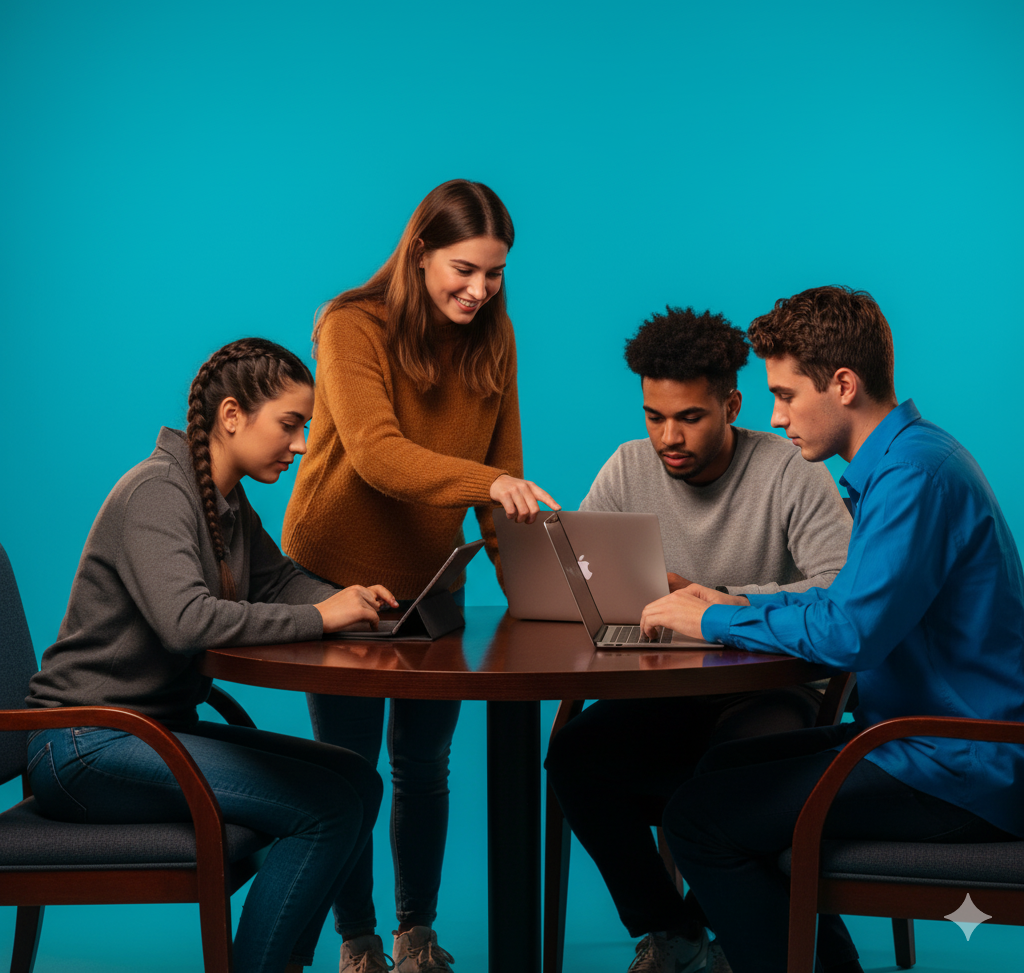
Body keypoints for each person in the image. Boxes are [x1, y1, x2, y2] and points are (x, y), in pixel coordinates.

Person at [637, 286, 1024, 973]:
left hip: (960, 766)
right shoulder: (902, 464)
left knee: (699, 820)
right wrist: (722, 602)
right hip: (923, 743)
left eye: (786, 396)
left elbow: (851, 636)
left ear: (842, 385)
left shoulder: (915, 476)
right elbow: (840, 608)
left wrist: (717, 618)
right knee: (721, 769)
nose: (774, 416)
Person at [27, 338, 396, 973]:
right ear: (232, 417)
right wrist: (319, 617)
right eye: (290, 424)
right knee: (327, 810)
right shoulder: (157, 492)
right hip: (82, 744)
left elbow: (276, 583)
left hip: (144, 733)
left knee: (357, 780)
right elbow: (186, 621)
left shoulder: (221, 499)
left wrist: (350, 601)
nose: (302, 443)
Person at [281, 179, 558, 973]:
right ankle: (357, 942)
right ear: (421, 252)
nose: (480, 290)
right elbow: (376, 452)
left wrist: (533, 600)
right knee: (349, 771)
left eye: (496, 274)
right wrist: (486, 486)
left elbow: (507, 478)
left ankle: (416, 937)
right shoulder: (350, 324)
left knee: (424, 765)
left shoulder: (495, 340)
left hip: (433, 578)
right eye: (465, 270)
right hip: (335, 576)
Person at [545, 305, 852, 973]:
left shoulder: (789, 469)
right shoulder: (628, 467)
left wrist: (716, 598)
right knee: (574, 758)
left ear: (732, 405)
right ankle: (673, 932)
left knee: (729, 782)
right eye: (655, 417)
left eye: (690, 417)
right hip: (665, 691)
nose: (668, 437)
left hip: (768, 689)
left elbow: (839, 589)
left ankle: (741, 934)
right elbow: (584, 570)